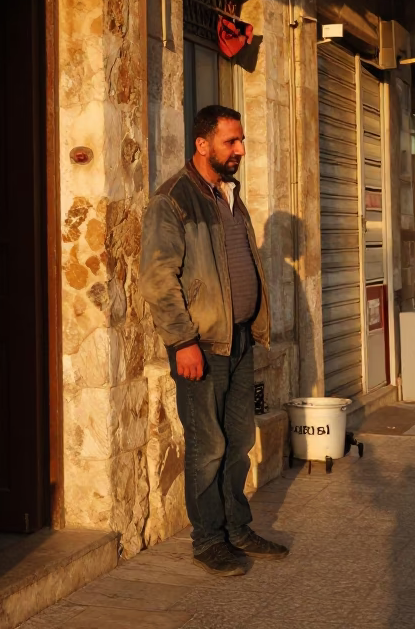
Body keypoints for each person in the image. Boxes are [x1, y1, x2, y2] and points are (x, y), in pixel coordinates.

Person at [139, 105, 288, 576]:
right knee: (210, 445)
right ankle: (208, 539)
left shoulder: (228, 194)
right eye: (231, 142)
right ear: (202, 144)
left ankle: (236, 528)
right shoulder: (173, 200)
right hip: (201, 346)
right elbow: (159, 278)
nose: (240, 149)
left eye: (241, 140)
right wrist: (182, 341)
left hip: (239, 340)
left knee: (240, 440)